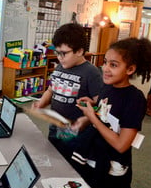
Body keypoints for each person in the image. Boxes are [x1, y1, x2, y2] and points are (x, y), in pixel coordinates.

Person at [72, 37, 151, 188]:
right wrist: (93, 106)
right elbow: (106, 111)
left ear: (130, 69)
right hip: (93, 154)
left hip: (111, 166)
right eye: (105, 62)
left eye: (114, 65)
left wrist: (91, 118)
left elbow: (121, 144)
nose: (106, 68)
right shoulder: (107, 87)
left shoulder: (134, 99)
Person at [31, 23, 103, 161]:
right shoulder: (60, 67)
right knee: (53, 158)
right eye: (57, 52)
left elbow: (100, 106)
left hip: (76, 132)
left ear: (80, 51)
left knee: (70, 166)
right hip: (55, 126)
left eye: (64, 53)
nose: (59, 57)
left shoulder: (91, 73)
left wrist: (87, 119)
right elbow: (51, 90)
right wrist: (41, 103)